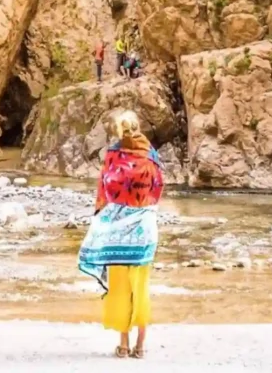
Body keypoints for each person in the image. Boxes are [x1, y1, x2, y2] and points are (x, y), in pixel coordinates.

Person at [78, 111, 164, 359]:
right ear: (138, 127)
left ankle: (123, 346)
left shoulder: (113, 155)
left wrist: (104, 212)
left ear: (118, 131)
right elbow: (158, 188)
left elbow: (104, 187)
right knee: (141, 286)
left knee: (119, 288)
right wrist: (143, 208)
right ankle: (141, 347)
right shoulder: (151, 155)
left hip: (116, 228)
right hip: (144, 229)